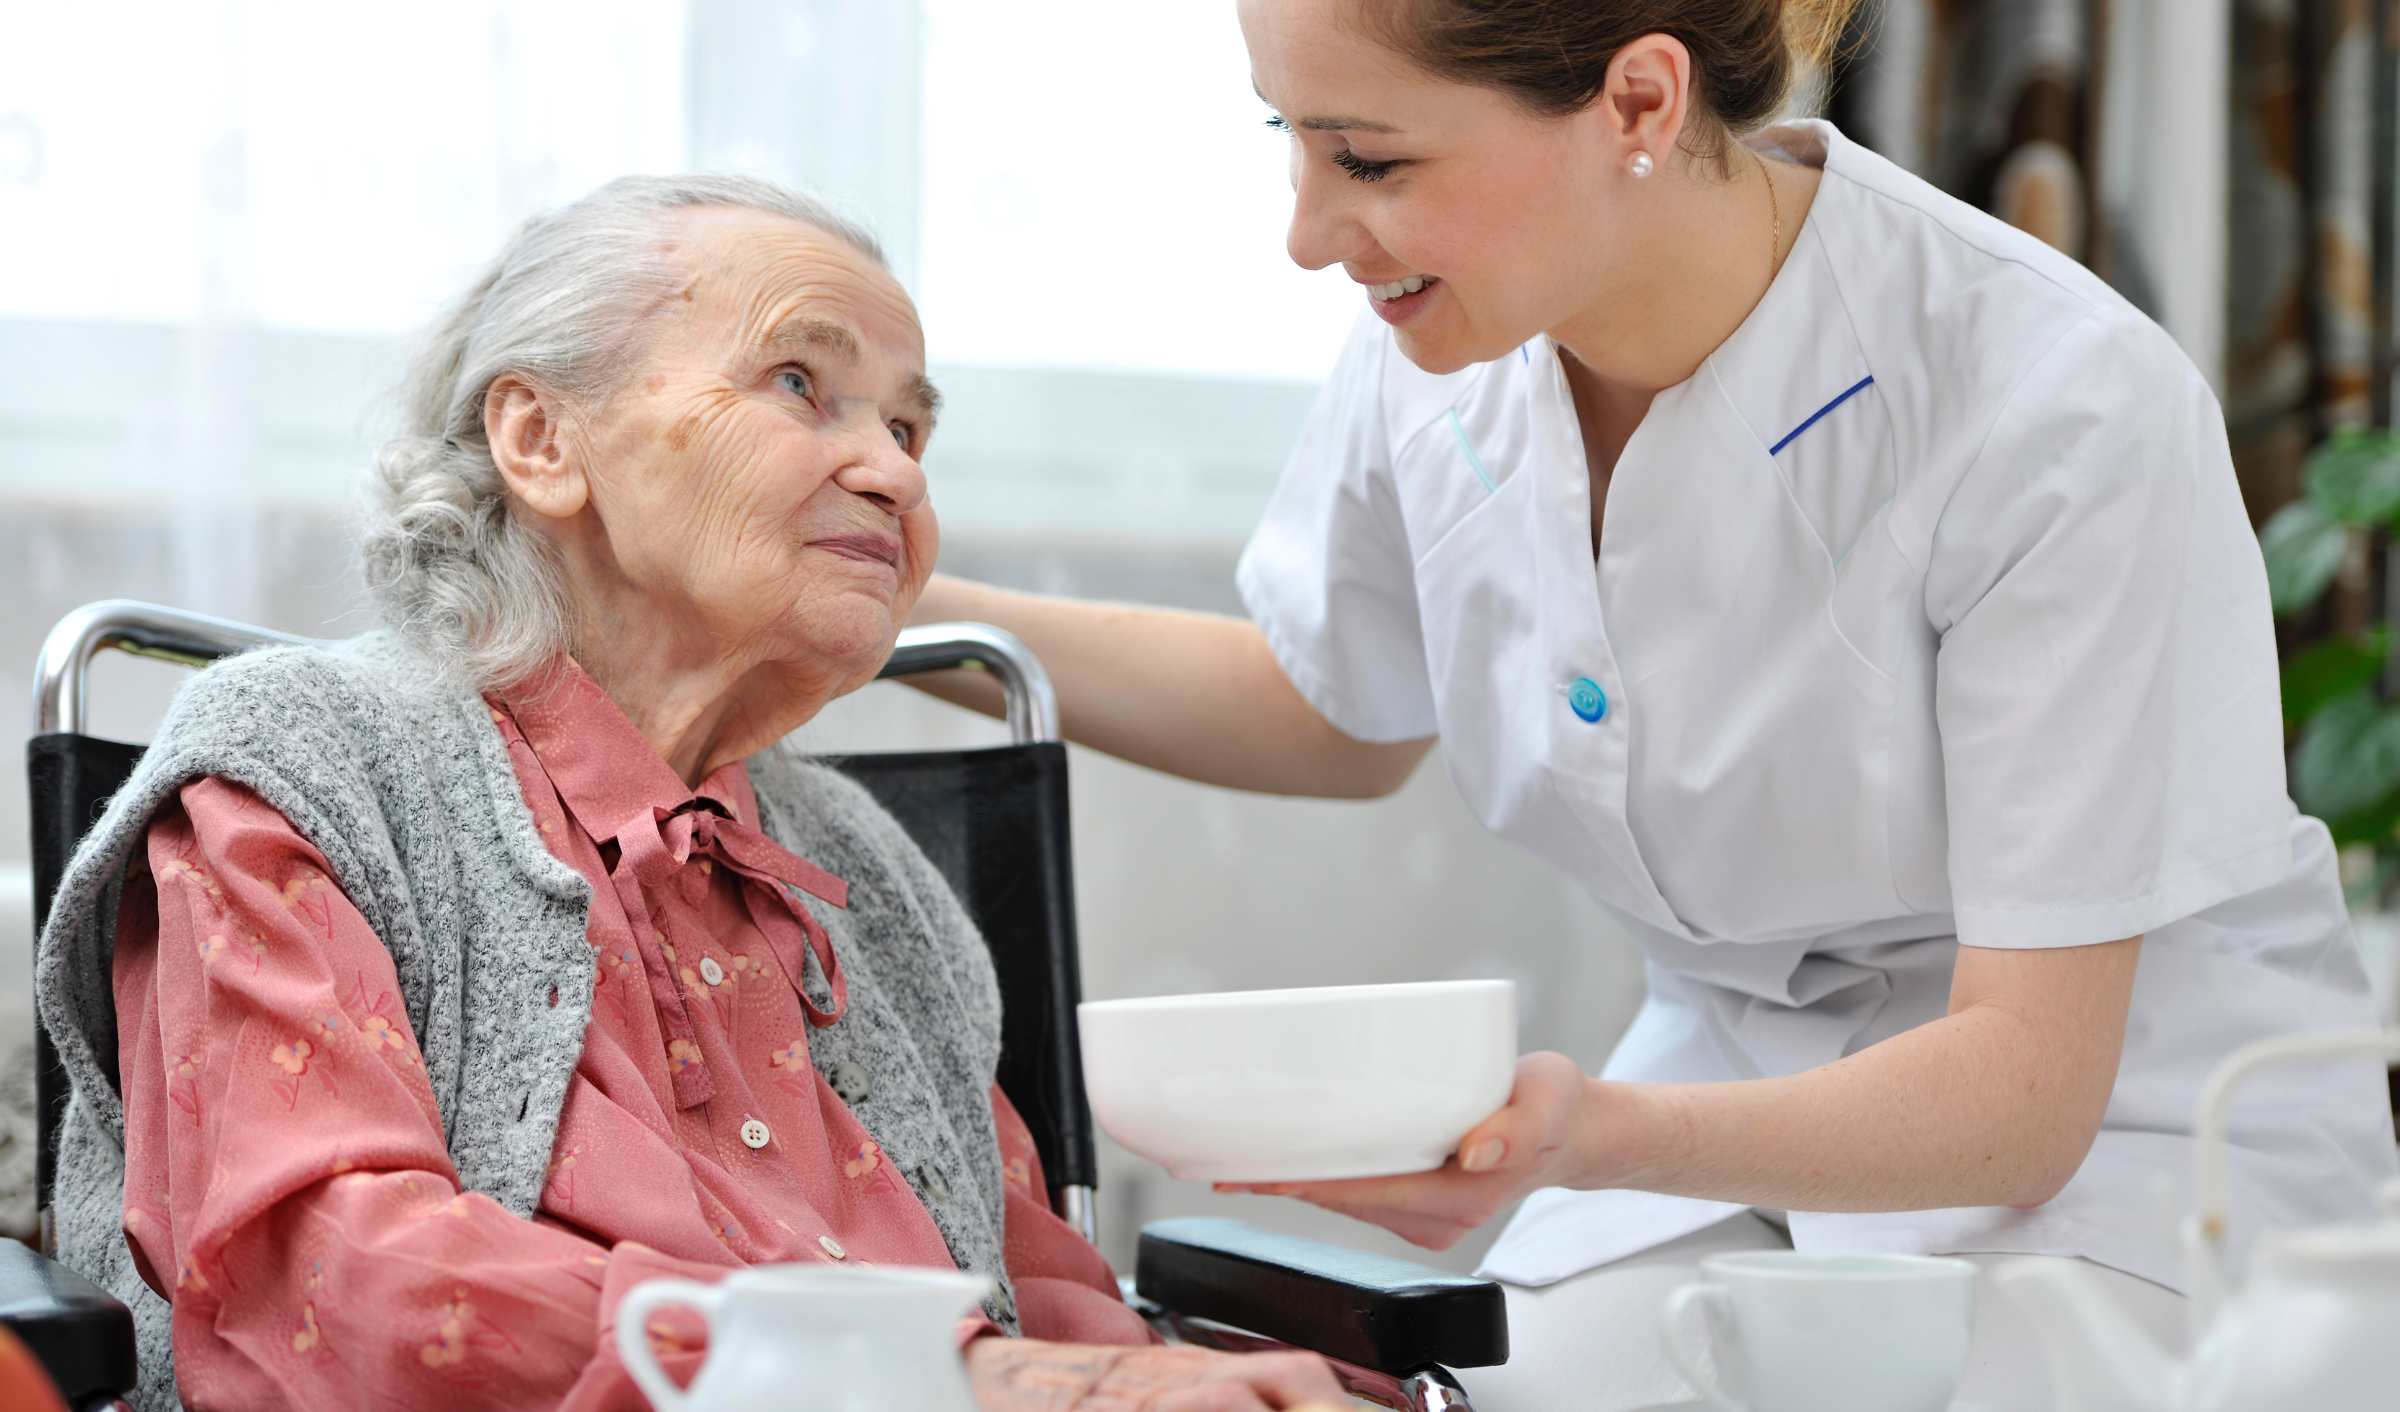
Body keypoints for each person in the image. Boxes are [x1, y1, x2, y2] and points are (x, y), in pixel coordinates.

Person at [908, 1, 2400, 1407]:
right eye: (1284, 137)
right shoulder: (1444, 348)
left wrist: (1592, 1137)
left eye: (1368, 157)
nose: (1307, 235)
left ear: (1638, 98)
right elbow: (1329, 709)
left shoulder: (2054, 403)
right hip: (1721, 1124)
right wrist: (902, 612)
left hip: (2123, 1169)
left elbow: (2024, 1093)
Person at [33, 174, 1347, 1412]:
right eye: (800, 382)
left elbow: (1027, 1283)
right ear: (544, 441)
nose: (894, 471)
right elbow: (324, 1282)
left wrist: (1160, 1381)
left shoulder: (868, 874)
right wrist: (949, 1382)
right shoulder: (304, 773)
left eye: (908, 425)